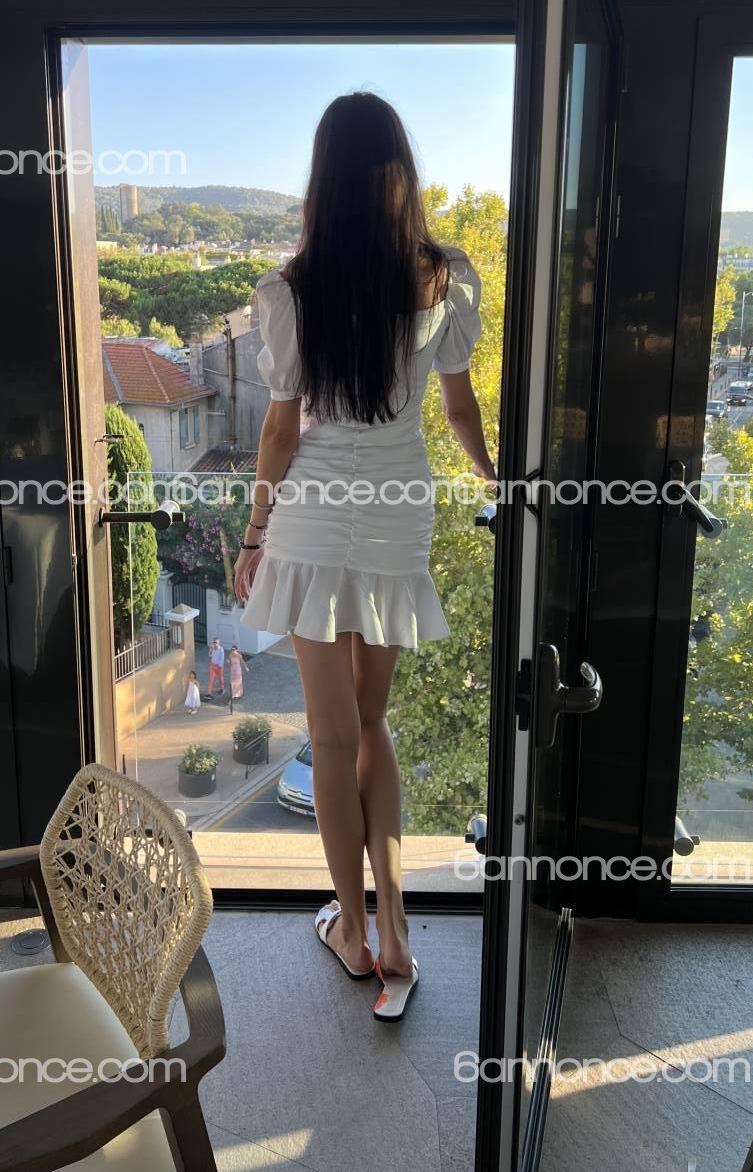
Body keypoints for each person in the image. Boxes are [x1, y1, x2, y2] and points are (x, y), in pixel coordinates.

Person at [235, 92, 495, 1023]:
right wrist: (499, 477)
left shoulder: (293, 290)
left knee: (333, 736)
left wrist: (255, 532)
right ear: (399, 175)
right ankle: (396, 928)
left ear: (323, 179)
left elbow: (279, 432)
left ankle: (352, 930)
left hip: (312, 515)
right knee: (372, 725)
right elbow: (458, 408)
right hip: (395, 511)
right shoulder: (444, 277)